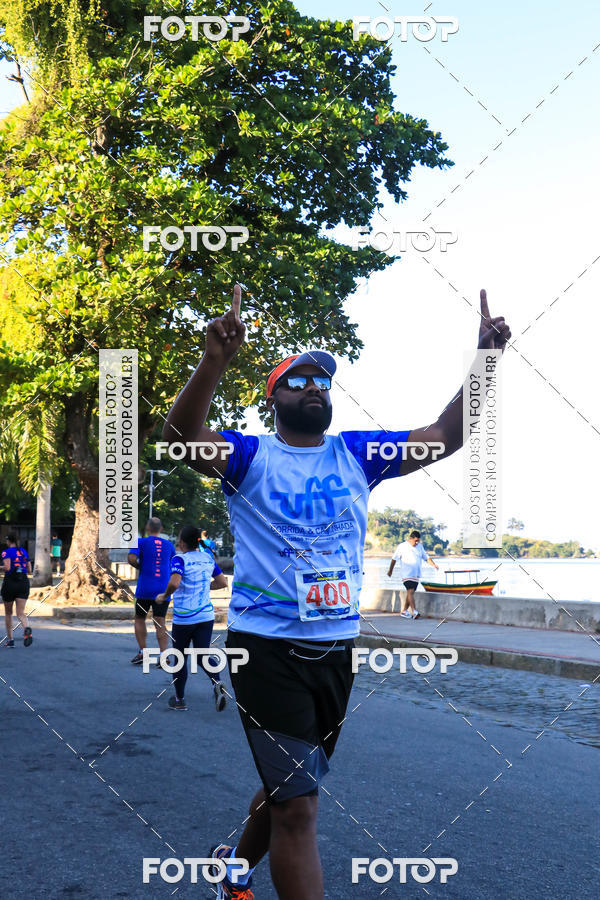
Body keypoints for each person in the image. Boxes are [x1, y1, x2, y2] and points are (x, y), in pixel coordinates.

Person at [162, 284, 510, 900]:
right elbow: (181, 439)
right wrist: (213, 360)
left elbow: (444, 435)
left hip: (336, 650)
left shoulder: (357, 453)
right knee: (299, 807)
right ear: (272, 399)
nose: (314, 388)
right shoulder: (249, 455)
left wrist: (485, 361)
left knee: (292, 785)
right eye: (297, 381)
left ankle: (231, 868)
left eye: (322, 382)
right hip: (264, 649)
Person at [155, 524, 228, 711]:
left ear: (181, 542)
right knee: (202, 655)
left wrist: (164, 596)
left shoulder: (179, 559)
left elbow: (175, 582)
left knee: (180, 658)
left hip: (184, 618)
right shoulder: (207, 558)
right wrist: (203, 587)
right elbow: (222, 582)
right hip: (205, 615)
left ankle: (179, 700)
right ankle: (217, 682)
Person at [127, 518, 176, 665]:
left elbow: (131, 558)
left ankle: (143, 653)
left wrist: (140, 566)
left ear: (147, 528)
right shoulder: (169, 545)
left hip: (144, 589)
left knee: (139, 618)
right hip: (163, 589)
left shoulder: (139, 542)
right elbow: (173, 563)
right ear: (161, 529)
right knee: (160, 621)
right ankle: (163, 656)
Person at [387, 530, 439, 618]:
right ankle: (414, 611)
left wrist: (434, 565)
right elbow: (394, 559)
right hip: (406, 574)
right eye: (415, 541)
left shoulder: (420, 547)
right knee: (410, 591)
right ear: (410, 538)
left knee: (410, 593)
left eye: (418, 541)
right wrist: (390, 570)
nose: (417, 542)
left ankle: (404, 611)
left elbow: (426, 558)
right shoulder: (402, 546)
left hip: (416, 575)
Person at [2, 533, 33, 648]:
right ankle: (26, 628)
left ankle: (11, 640)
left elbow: (7, 568)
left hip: (10, 583)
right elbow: (29, 570)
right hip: (23, 582)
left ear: (8, 541)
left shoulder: (6, 552)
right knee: (20, 613)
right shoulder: (23, 551)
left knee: (8, 613)